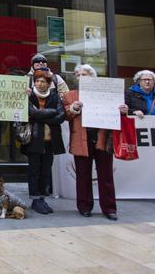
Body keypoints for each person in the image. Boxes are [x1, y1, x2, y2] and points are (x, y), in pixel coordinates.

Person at [64, 64, 127, 221]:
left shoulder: (107, 94)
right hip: (81, 140)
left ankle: (109, 208)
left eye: (84, 74)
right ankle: (84, 206)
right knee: (83, 176)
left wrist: (123, 111)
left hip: (103, 139)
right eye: (78, 75)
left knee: (106, 176)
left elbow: (119, 115)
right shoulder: (71, 95)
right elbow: (64, 114)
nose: (81, 77)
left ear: (93, 77)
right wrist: (73, 108)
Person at [23, 68, 66, 215]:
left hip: (50, 140)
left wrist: (40, 115)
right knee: (34, 170)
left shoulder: (54, 97)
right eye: (37, 81)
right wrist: (50, 112)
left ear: (49, 84)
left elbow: (61, 116)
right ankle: (35, 200)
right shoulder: (28, 96)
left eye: (43, 81)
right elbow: (29, 113)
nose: (39, 83)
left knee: (46, 171)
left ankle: (42, 198)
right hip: (34, 139)